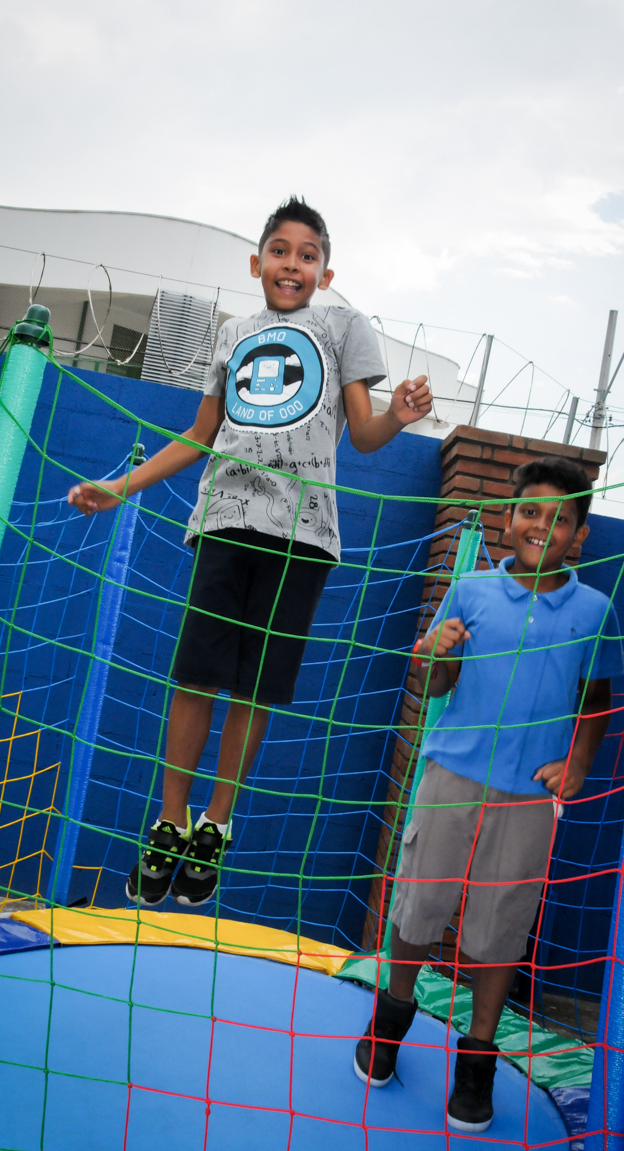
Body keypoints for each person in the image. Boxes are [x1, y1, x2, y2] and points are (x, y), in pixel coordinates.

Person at [68, 196, 433, 909]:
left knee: (256, 687)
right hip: (225, 520)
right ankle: (170, 821)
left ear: (326, 273)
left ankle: (216, 823)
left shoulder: (340, 325)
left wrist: (399, 414)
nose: (291, 264)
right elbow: (201, 433)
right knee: (196, 676)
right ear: (256, 261)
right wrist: (122, 485)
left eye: (307, 255)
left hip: (303, 536)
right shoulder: (235, 333)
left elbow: (362, 434)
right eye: (280, 250)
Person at [353, 455, 623, 1132]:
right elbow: (437, 686)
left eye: (559, 518)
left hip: (526, 798)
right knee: (417, 908)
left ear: (578, 534)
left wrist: (577, 763)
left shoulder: (594, 609)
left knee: (499, 929)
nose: (541, 525)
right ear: (507, 520)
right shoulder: (470, 591)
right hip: (450, 777)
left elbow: (596, 698)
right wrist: (436, 650)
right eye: (530, 511)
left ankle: (475, 1058)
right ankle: (391, 1019)